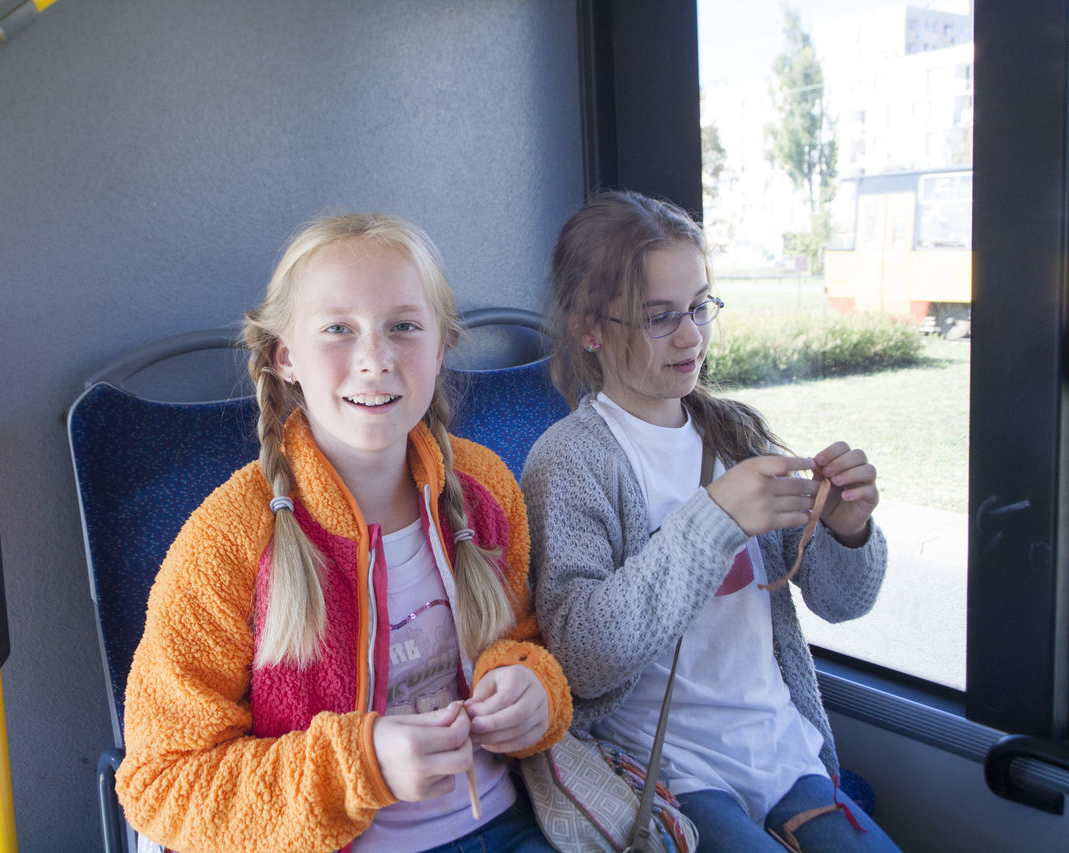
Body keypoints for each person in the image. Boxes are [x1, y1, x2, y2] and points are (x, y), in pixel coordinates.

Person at [116, 213, 572, 853]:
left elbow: (518, 639)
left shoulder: (483, 486)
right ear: (286, 357)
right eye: (338, 330)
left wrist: (530, 689)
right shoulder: (227, 542)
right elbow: (162, 784)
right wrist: (360, 765)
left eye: (404, 327)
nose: (375, 359)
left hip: (509, 823)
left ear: (440, 348)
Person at [521, 190, 901, 852]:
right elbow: (580, 657)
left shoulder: (736, 431)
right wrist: (715, 518)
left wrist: (847, 529)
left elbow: (843, 602)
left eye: (700, 307)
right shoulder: (571, 460)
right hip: (665, 769)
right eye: (660, 317)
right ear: (590, 327)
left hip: (781, 749)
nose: (692, 335)